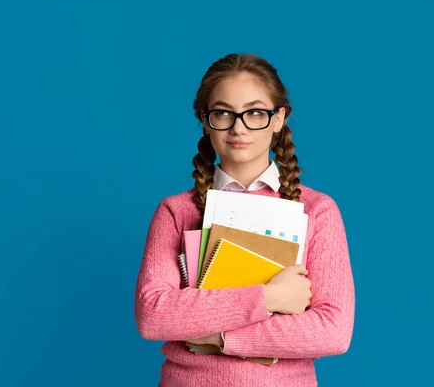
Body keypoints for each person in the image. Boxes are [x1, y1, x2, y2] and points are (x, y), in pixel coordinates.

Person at [134, 53, 355, 386]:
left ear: (278, 118)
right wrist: (269, 298)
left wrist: (220, 338)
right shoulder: (176, 211)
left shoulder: (317, 209)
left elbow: (332, 331)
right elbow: (154, 316)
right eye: (223, 113)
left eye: (255, 113)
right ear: (205, 120)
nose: (238, 127)